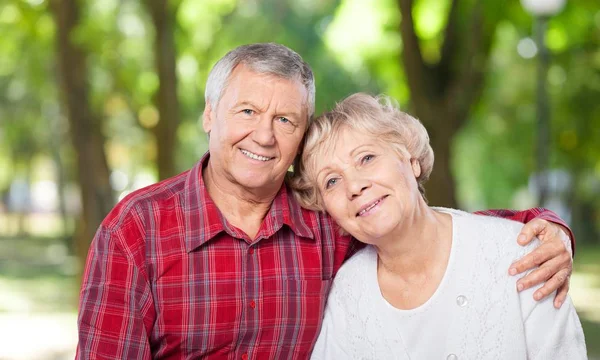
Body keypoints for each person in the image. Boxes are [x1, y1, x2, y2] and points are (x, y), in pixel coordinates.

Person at [76, 43, 576, 360]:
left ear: (299, 138)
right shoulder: (135, 231)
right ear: (210, 114)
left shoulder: (327, 222)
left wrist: (545, 227)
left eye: (286, 121)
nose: (264, 136)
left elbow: (418, 226)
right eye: (247, 110)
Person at [290, 93, 586, 359]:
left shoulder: (521, 255)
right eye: (332, 181)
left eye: (367, 158)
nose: (354, 186)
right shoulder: (348, 293)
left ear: (411, 161)